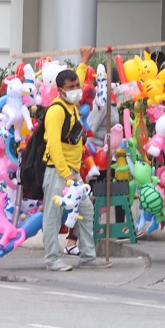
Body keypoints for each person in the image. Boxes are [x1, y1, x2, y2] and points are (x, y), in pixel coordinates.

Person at [42, 67, 109, 272]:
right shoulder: (56, 111)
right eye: (71, 87)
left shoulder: (71, 106)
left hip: (72, 172)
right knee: (53, 216)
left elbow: (78, 77)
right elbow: (53, 145)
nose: (76, 90)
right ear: (60, 90)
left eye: (77, 86)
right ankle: (52, 259)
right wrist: (67, 174)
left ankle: (88, 256)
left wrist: (83, 62)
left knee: (87, 210)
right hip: (58, 171)